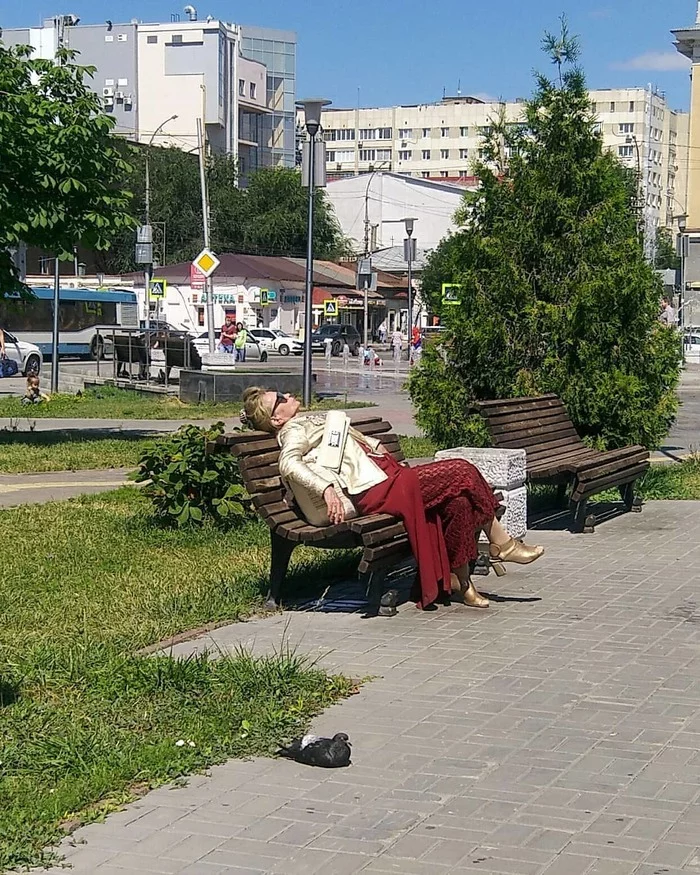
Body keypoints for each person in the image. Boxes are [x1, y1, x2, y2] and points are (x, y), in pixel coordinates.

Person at [241, 388, 545, 611]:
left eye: (281, 393)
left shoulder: (305, 420)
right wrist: (325, 489)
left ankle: (462, 583)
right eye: (278, 400)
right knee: (462, 470)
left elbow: (349, 440)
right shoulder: (292, 430)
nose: (285, 396)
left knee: (459, 502)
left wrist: (374, 443)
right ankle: (502, 544)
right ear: (276, 419)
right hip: (373, 490)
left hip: (385, 478)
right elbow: (289, 463)